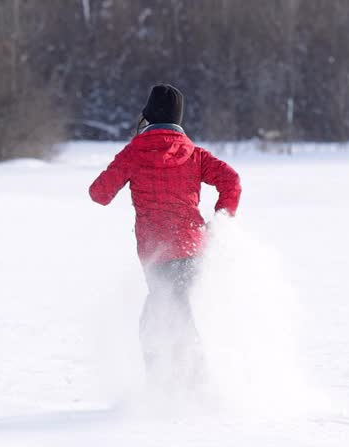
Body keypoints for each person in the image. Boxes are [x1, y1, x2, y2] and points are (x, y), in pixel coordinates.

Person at [88, 84, 242, 388]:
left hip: (158, 255)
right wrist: (220, 221)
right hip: (193, 248)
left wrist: (128, 165)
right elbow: (231, 181)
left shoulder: (135, 152)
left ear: (148, 115)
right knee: (169, 314)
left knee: (161, 320)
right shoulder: (193, 153)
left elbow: (99, 193)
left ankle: (185, 389)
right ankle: (180, 387)